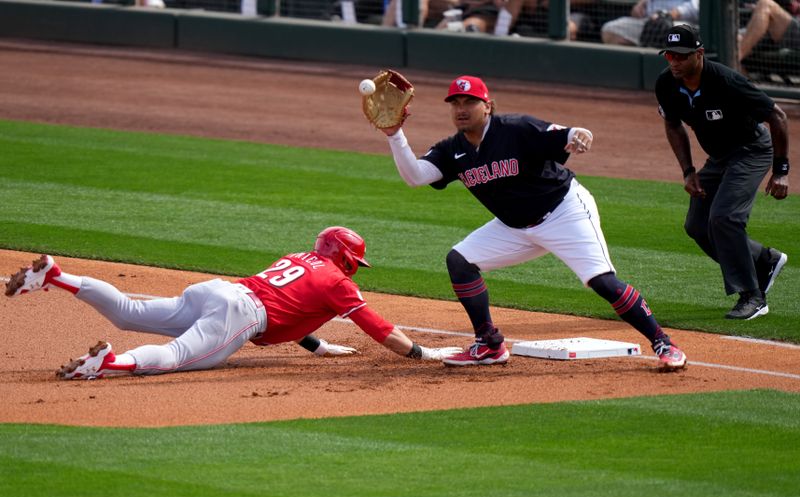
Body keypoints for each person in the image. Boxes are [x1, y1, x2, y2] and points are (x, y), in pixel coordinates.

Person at [368, 75, 688, 370]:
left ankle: (663, 343)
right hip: (514, 227)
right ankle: (489, 344)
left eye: (469, 102)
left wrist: (579, 135)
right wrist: (395, 134)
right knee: (460, 261)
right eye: (456, 104)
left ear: (487, 106)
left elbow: (567, 134)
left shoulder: (516, 129)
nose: (461, 109)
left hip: (564, 212)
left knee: (602, 281)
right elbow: (416, 177)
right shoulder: (453, 150)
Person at [4, 227, 460, 379]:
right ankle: (109, 365)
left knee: (131, 312)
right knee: (179, 357)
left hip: (217, 291)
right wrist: (423, 352)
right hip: (239, 313)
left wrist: (319, 348)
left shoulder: (299, 259)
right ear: (345, 258)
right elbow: (381, 329)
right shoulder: (338, 282)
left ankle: (58, 277)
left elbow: (294, 310)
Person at [655, 24, 789, 320]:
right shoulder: (666, 84)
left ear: (699, 54)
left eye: (681, 55)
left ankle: (753, 296)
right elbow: (673, 124)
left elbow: (778, 117)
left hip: (751, 149)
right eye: (670, 56)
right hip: (719, 157)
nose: (675, 62)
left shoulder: (726, 81)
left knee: (725, 217)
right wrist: (688, 171)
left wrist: (781, 171)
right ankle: (764, 260)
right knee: (697, 225)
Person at [601, 0, 699, 47]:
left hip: (678, 22)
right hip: (647, 22)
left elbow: (697, 7)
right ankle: (636, 63)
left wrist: (669, 14)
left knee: (680, 34)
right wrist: (640, 5)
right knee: (610, 30)